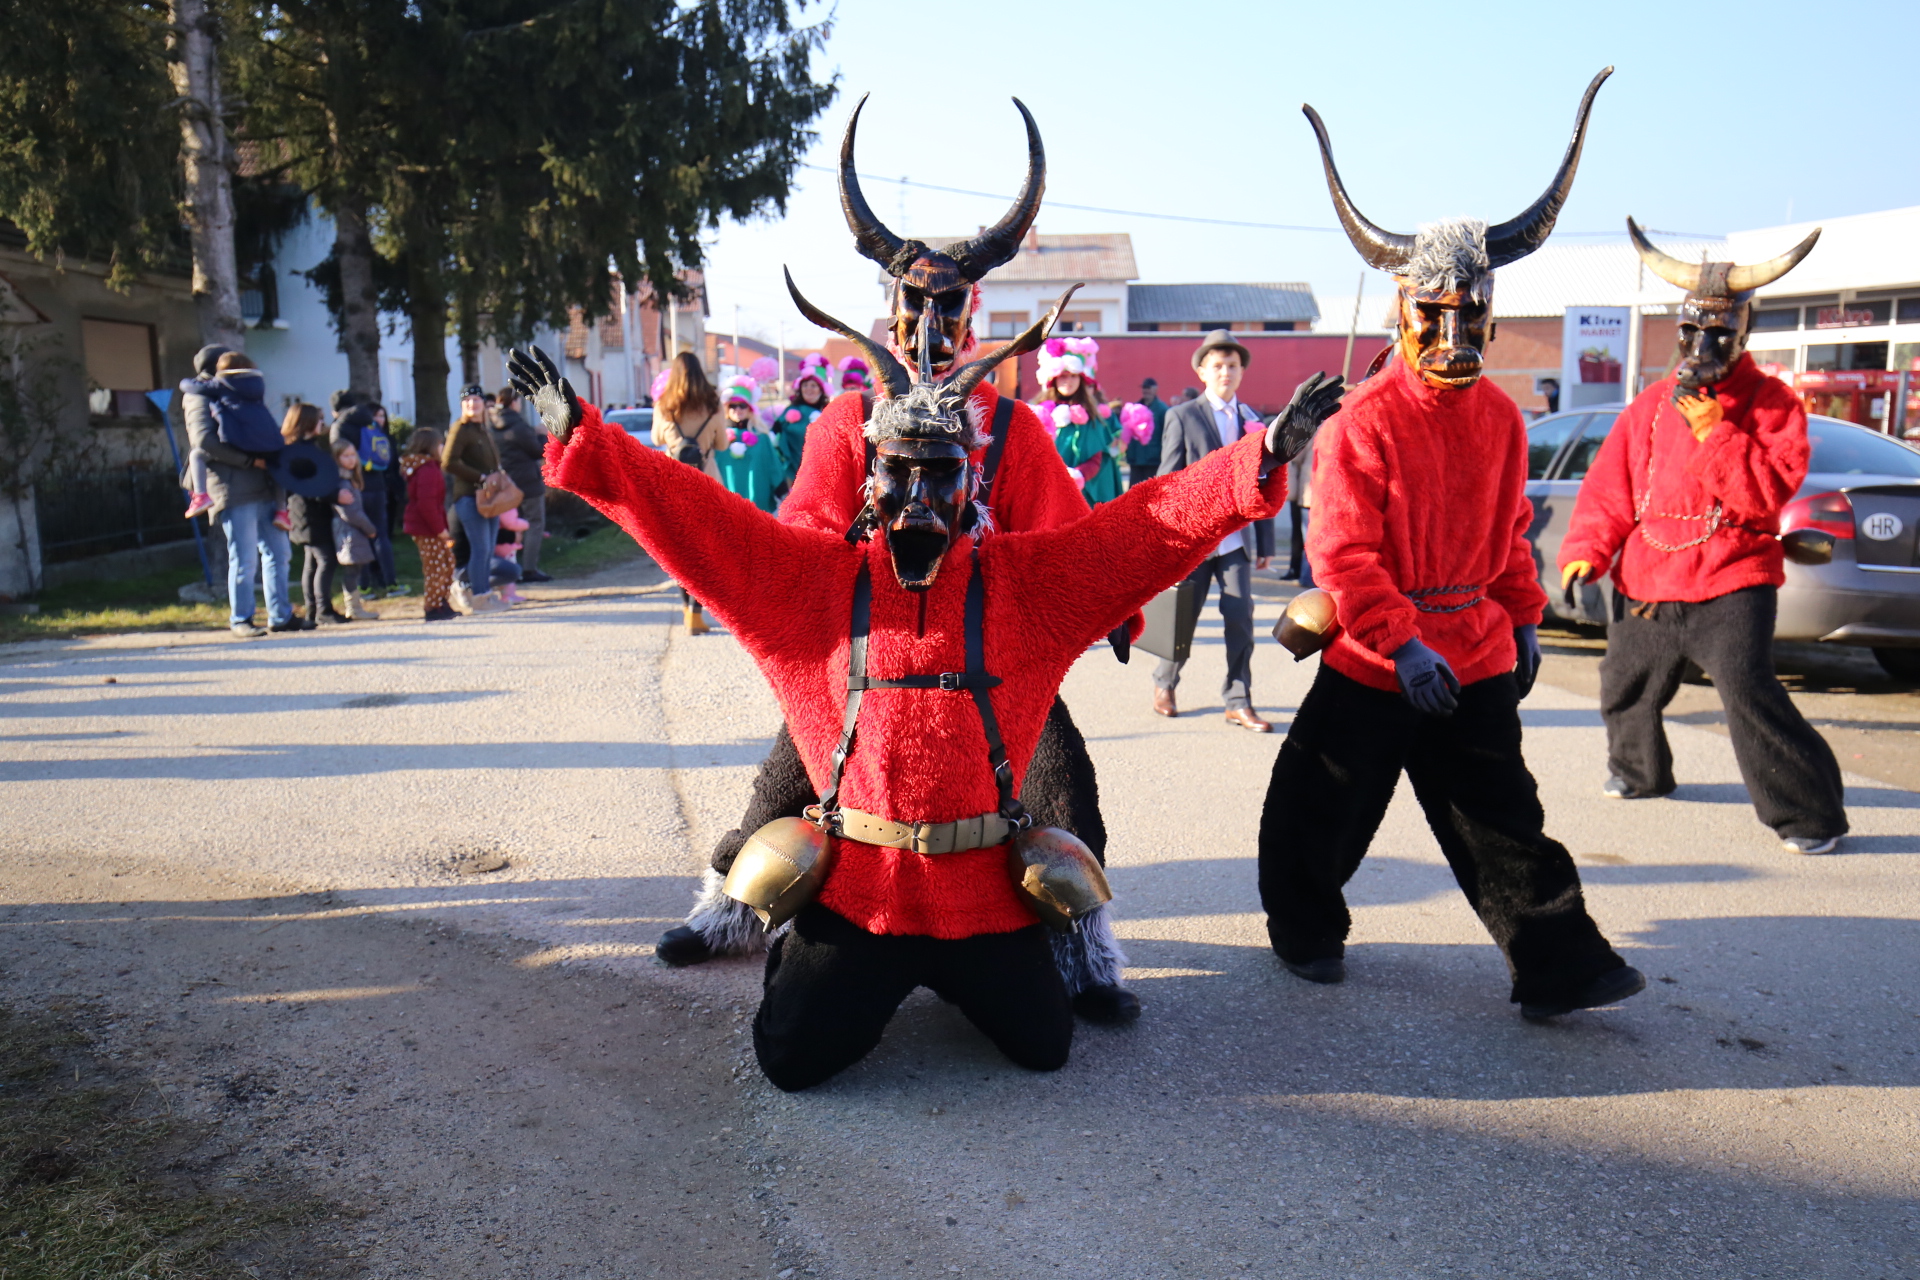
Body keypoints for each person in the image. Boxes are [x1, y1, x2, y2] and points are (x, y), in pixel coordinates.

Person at [513, 267, 1333, 1088]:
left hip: (980, 886)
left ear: (970, 476)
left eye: (940, 473)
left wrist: (1258, 458)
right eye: (898, 472)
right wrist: (587, 439)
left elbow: (1136, 532)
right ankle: (764, 925)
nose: (918, 498)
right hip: (862, 886)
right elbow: (705, 524)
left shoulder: (1024, 570)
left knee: (1045, 1039)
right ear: (871, 475)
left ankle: (1067, 956)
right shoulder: (821, 543)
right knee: (790, 1054)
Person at [653, 97, 1142, 1024]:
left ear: (971, 314)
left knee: (1060, 777)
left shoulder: (1013, 428)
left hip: (995, 649)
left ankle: (1084, 955)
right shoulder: (847, 421)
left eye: (949, 305)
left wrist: (1114, 608)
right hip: (870, 641)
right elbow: (803, 524)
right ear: (891, 310)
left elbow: (1069, 535)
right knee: (795, 764)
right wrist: (799, 593)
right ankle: (731, 908)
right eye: (915, 302)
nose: (930, 321)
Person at [1256, 69, 1645, 1022]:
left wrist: (1524, 621)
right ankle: (1305, 931)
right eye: (1432, 310)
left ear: (1491, 312)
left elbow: (1509, 535)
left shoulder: (1505, 420)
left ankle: (1561, 965)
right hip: (1373, 657)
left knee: (1503, 818)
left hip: (1471, 653)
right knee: (1320, 806)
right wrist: (1402, 645)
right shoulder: (1362, 420)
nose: (1450, 328)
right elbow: (1343, 555)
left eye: (1468, 310)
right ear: (1403, 309)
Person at [1559, 220, 1846, 855]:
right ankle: (1639, 772)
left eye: (1719, 333)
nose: (1702, 344)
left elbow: (1765, 496)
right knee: (1625, 683)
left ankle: (1810, 815)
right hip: (1648, 579)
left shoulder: (1775, 405)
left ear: (1744, 332)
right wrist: (1585, 553)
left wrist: (1716, 433)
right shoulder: (1648, 405)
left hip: (1733, 576)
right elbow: (1608, 489)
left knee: (1748, 691)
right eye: (1692, 331)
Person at [1148, 330, 1280, 731]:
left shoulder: (1253, 421)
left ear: (1242, 371)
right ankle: (1165, 684)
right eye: (1217, 365)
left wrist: (1265, 542)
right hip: (1194, 539)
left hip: (1235, 541)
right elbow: (1168, 480)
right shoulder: (1182, 416)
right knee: (1182, 618)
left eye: (1232, 365)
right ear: (1202, 371)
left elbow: (1266, 481)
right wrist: (1166, 537)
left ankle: (1238, 699)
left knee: (1241, 618)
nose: (1226, 372)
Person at [179, 347, 297, 637]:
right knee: (244, 558)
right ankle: (241, 619)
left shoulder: (240, 390)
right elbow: (204, 440)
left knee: (279, 553)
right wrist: (249, 461)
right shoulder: (199, 395)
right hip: (232, 486)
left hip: (264, 482)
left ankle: (281, 616)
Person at [652, 352, 729, 634]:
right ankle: (697, 612)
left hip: (673, 486)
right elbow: (722, 444)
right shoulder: (712, 403)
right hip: (707, 484)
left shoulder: (664, 404)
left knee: (680, 552)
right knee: (704, 552)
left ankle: (687, 609)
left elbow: (656, 438)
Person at [441, 384, 508, 614]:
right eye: (467, 400)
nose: (472, 404)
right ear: (462, 405)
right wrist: (480, 477)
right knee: (480, 549)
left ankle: (483, 594)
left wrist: (498, 475)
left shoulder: (483, 430)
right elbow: (448, 462)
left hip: (490, 497)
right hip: (470, 498)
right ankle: (480, 597)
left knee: (488, 549)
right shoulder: (460, 429)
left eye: (476, 400)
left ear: (483, 404)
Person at [1032, 337, 1121, 505]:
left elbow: (1097, 459)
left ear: (1081, 380)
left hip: (1084, 494)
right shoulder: (1040, 414)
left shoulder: (1092, 416)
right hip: (1048, 491)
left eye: (1073, 376)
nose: (1068, 381)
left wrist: (1077, 475)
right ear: (1054, 379)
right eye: (1063, 376)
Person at [282, 403, 348, 629]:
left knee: (312, 562)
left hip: (307, 512)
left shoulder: (304, 448)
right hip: (308, 512)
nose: (323, 423)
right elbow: (310, 485)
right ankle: (323, 609)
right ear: (307, 423)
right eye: (319, 419)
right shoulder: (300, 452)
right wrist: (335, 495)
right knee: (326, 559)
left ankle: (313, 610)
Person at [490, 387, 551, 582]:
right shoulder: (518, 425)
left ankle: (510, 567)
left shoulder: (492, 426)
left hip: (506, 482)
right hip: (528, 481)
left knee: (511, 525)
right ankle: (529, 569)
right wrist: (542, 435)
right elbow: (537, 451)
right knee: (534, 523)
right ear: (514, 402)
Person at [401, 428, 457, 621]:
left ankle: (442, 601)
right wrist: (440, 530)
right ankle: (433, 606)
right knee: (436, 567)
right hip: (427, 528)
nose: (442, 447)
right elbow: (426, 504)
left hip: (432, 526)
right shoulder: (427, 470)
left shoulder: (429, 467)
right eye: (440, 444)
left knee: (447, 563)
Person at [714, 374, 783, 512]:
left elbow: (773, 466)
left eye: (742, 405)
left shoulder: (762, 437)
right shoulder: (718, 437)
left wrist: (782, 492)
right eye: (733, 406)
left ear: (750, 408)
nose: (737, 410)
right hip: (725, 504)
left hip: (757, 503)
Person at [331, 441, 380, 620]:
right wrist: (369, 528)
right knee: (352, 570)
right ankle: (353, 607)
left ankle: (355, 605)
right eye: (346, 456)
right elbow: (350, 512)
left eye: (353, 455)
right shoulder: (341, 482)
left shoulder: (350, 479)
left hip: (353, 531)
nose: (351, 459)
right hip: (348, 531)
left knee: (356, 568)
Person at [773, 354, 831, 486]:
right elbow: (776, 434)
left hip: (821, 471)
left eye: (813, 385)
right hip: (793, 472)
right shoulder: (791, 410)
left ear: (821, 390)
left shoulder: (828, 411)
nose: (808, 389)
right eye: (805, 385)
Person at [1125, 377, 1170, 488]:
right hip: (1136, 457)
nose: (1146, 390)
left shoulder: (1162, 409)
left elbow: (1166, 434)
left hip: (1153, 458)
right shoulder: (1135, 408)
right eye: (1144, 387)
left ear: (1155, 389)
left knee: (1151, 491)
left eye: (1148, 388)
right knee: (1134, 491)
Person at [1283, 432, 1315, 586]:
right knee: (1310, 538)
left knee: (1309, 538)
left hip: (1310, 493)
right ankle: (1306, 576)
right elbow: (1293, 461)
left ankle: (1307, 576)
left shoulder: (1315, 428)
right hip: (1310, 492)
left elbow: (1294, 461)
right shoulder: (1317, 428)